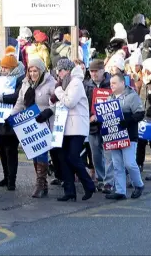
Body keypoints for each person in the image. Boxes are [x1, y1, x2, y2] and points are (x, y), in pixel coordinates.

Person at [50, 59, 96, 202]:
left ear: (68, 70)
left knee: (73, 156)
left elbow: (69, 102)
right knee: (63, 158)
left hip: (77, 126)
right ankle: (69, 191)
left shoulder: (76, 83)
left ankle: (88, 185)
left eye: (61, 70)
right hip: (65, 126)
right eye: (58, 71)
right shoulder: (65, 83)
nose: (59, 74)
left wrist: (58, 91)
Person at [12, 58, 55, 198]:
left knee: (41, 152)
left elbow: (56, 101)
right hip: (29, 123)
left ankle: (39, 184)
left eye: (35, 70)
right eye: (30, 71)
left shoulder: (50, 83)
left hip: (44, 122)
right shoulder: (25, 84)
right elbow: (20, 102)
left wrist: (49, 111)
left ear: (41, 70)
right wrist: (12, 117)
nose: (32, 73)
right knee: (34, 154)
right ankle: (43, 185)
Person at [104, 73, 145, 200]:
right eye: (111, 83)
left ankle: (138, 185)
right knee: (117, 164)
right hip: (114, 136)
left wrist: (127, 120)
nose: (112, 85)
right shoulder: (109, 98)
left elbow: (140, 113)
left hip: (129, 136)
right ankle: (120, 191)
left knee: (129, 163)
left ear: (123, 83)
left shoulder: (132, 96)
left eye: (114, 83)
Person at [0, 52, 26, 190]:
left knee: (11, 150)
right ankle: (6, 177)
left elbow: (16, 97)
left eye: (6, 67)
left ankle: (12, 180)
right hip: (0, 118)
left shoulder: (19, 79)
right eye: (2, 67)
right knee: (1, 148)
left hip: (12, 119)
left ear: (12, 67)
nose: (3, 70)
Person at [83, 59, 114, 192]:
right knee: (95, 155)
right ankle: (101, 179)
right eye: (92, 71)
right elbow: (84, 104)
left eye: (96, 71)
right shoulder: (87, 85)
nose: (94, 74)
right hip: (92, 125)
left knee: (109, 155)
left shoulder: (111, 83)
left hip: (108, 124)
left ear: (103, 71)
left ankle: (108, 182)